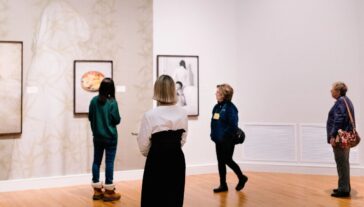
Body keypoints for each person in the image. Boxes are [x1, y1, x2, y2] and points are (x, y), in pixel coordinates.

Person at [137, 75, 188, 207]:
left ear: (157, 90)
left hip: (156, 159)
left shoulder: (150, 115)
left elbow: (143, 144)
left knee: (153, 197)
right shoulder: (182, 113)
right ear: (173, 90)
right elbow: (183, 139)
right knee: (174, 196)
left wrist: (153, 152)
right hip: (176, 159)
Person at [88, 78, 121, 201]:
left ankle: (97, 191)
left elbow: (90, 117)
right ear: (112, 89)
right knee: (109, 163)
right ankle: (109, 191)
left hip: (97, 137)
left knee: (96, 161)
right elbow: (117, 120)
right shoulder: (112, 102)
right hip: (111, 137)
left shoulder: (93, 101)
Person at [210, 84, 247, 193]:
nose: (215, 94)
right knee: (220, 162)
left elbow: (233, 126)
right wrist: (213, 134)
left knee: (227, 160)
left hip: (227, 140)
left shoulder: (231, 108)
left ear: (224, 95)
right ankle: (223, 185)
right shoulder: (216, 107)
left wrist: (225, 136)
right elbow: (214, 123)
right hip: (218, 140)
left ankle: (242, 177)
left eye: (218, 92)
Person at [326, 81, 354, 198]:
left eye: (332, 89)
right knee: (344, 163)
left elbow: (338, 120)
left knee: (341, 163)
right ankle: (344, 186)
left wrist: (332, 135)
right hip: (345, 138)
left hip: (340, 138)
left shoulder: (341, 102)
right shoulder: (346, 101)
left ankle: (344, 190)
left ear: (338, 91)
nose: (331, 91)